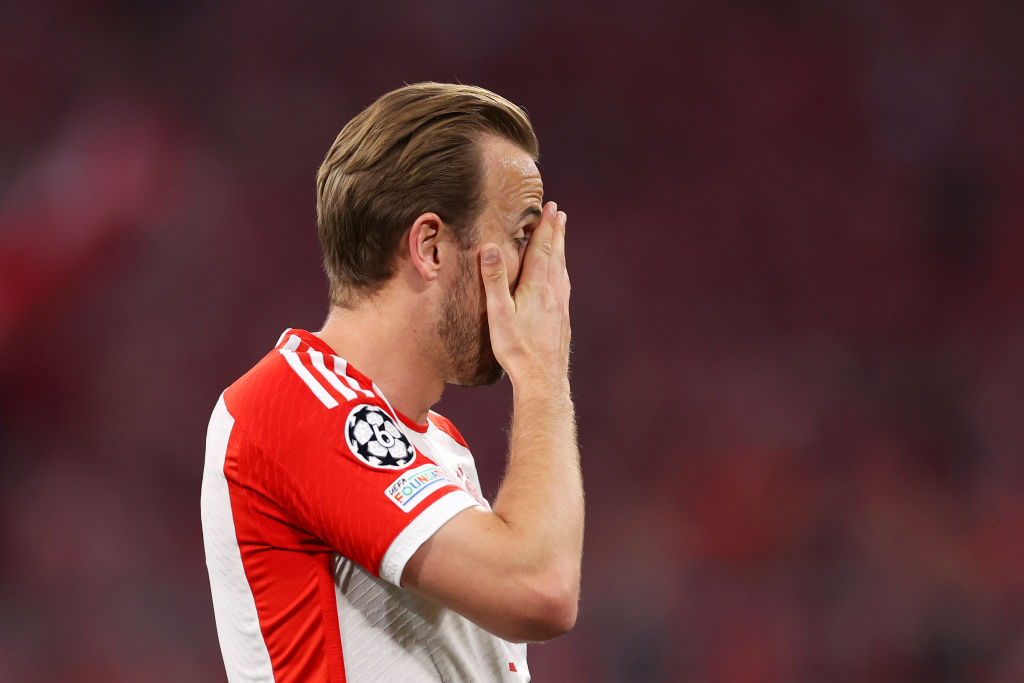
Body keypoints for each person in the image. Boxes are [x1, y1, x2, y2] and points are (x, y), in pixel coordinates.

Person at [200, 82, 583, 682]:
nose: (536, 275)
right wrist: (542, 372)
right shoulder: (289, 401)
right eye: (519, 238)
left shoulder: (439, 444)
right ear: (430, 247)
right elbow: (540, 589)